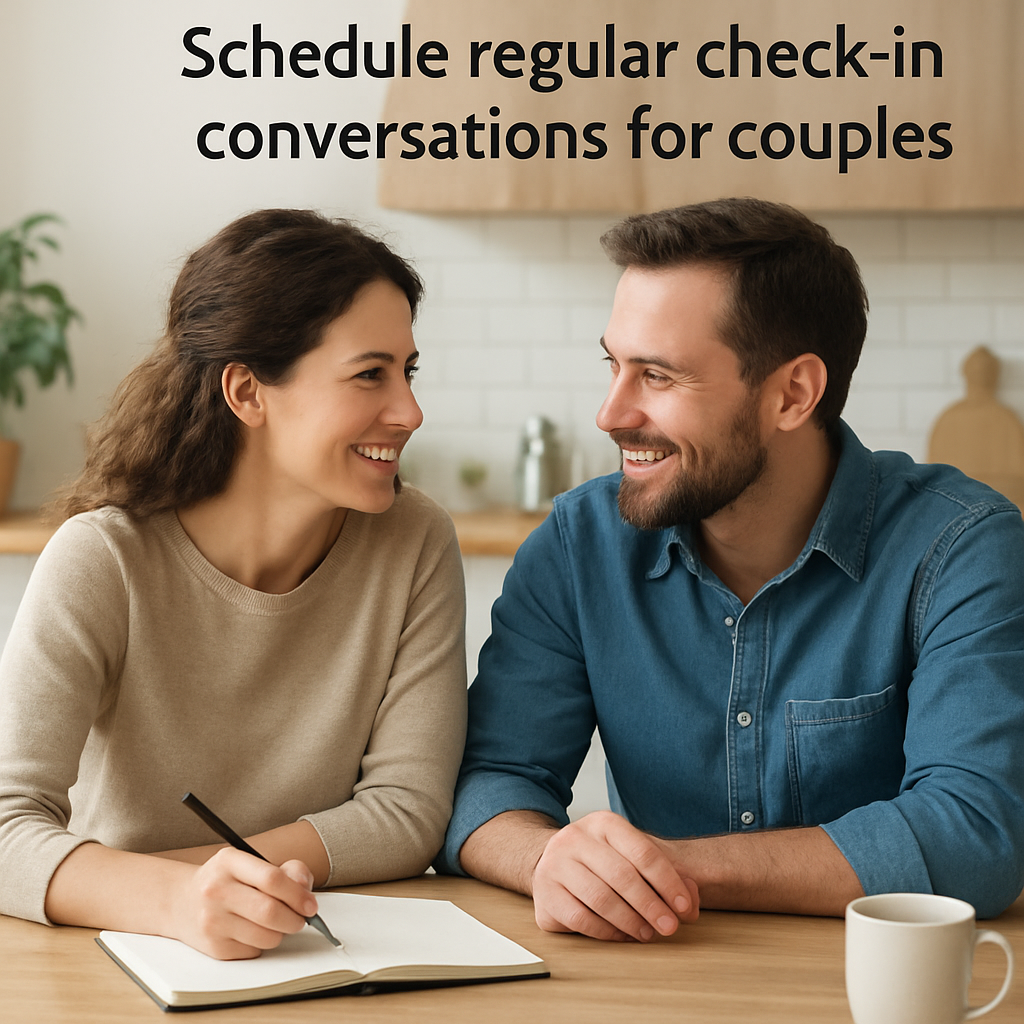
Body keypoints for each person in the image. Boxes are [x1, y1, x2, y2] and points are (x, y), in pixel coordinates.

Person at [435, 197, 1024, 943]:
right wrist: (548, 860)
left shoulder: (963, 548)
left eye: (657, 375)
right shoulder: (578, 544)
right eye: (614, 365)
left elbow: (976, 835)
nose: (611, 414)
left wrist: (659, 871)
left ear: (792, 394)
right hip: (656, 977)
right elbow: (485, 783)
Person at [0, 209, 467, 959]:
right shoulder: (102, 560)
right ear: (247, 392)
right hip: (109, 958)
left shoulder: (413, 541)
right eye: (369, 374)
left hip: (324, 957)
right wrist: (172, 901)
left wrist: (218, 888)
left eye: (407, 372)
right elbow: (5, 825)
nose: (410, 411)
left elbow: (408, 812)